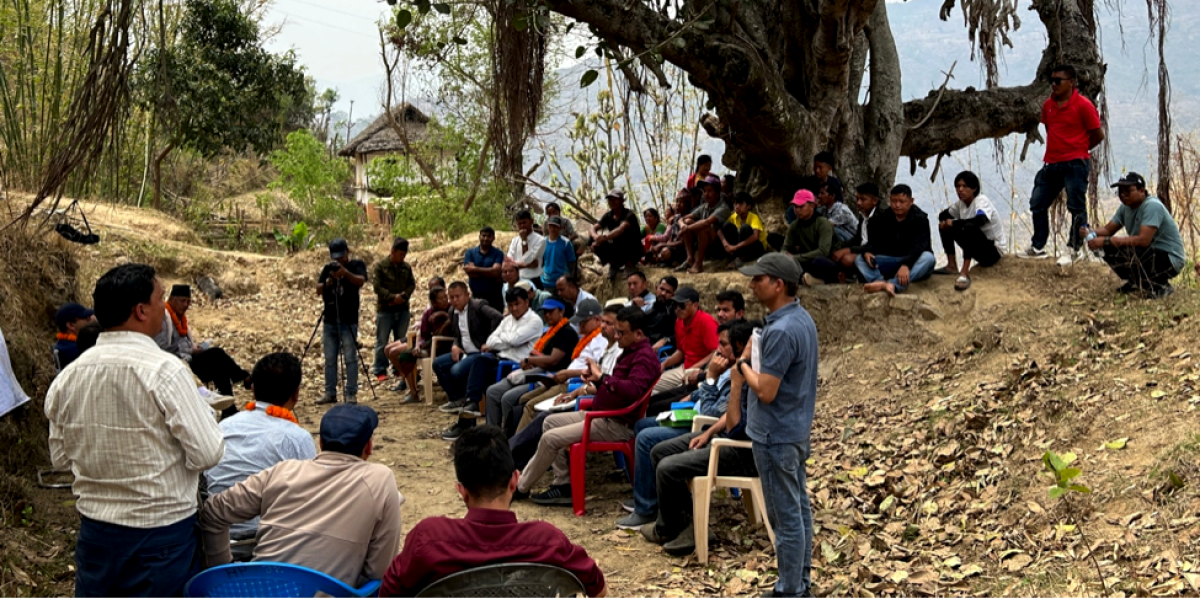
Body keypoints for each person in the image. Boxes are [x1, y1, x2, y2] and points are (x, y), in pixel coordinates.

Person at [45, 263, 224, 598]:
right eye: (160, 299)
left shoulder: (68, 377)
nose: (164, 309)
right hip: (161, 535)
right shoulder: (165, 371)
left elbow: (60, 459)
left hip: (96, 533)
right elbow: (208, 453)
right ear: (141, 311)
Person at [379, 426, 606, 597]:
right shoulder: (548, 541)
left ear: (462, 491)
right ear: (514, 481)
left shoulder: (428, 538)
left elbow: (388, 593)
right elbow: (598, 589)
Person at [200, 404, 403, 588]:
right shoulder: (380, 480)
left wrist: (223, 573)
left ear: (320, 443)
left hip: (259, 592)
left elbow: (213, 512)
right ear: (369, 446)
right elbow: (378, 571)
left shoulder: (283, 471)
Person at [515, 307, 661, 505]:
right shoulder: (630, 351)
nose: (616, 336)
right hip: (601, 415)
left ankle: (520, 487)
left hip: (616, 423)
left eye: (621, 333)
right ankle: (563, 485)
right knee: (548, 422)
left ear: (638, 333)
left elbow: (633, 391)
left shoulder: (643, 357)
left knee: (550, 438)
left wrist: (603, 378)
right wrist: (597, 381)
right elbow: (617, 388)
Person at [736, 253, 818, 598]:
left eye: (759, 279)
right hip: (793, 428)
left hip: (776, 434)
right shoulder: (800, 318)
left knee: (785, 517)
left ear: (778, 285)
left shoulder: (782, 330)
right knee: (797, 508)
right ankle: (799, 582)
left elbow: (766, 391)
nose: (752, 285)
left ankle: (790, 590)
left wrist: (742, 365)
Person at [617, 320, 747, 531]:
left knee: (647, 439)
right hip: (696, 417)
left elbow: (711, 413)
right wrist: (694, 394)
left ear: (738, 346)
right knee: (642, 424)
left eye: (724, 344)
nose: (718, 349)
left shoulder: (737, 375)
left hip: (702, 425)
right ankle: (649, 496)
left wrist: (710, 377)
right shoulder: (726, 368)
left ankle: (648, 509)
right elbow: (704, 394)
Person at [204, 352, 317, 560]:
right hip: (270, 545)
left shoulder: (223, 426)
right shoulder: (297, 438)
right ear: (296, 394)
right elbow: (311, 499)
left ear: (253, 389)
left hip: (214, 540)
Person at [1021, 64, 1104, 264]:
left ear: (1071, 82)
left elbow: (1098, 135)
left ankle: (1074, 248)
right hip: (1052, 163)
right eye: (1052, 80)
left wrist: (1080, 149)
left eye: (1058, 80)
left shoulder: (1083, 105)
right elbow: (1050, 129)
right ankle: (1038, 246)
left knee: (1076, 206)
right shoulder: (1048, 106)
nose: (1054, 84)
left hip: (1075, 164)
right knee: (1038, 202)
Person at [441, 287, 543, 440]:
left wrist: (503, 340)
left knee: (479, 378)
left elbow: (514, 340)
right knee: (477, 364)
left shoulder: (534, 321)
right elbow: (490, 341)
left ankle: (478, 426)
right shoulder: (507, 320)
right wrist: (506, 341)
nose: (514, 309)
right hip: (499, 359)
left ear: (527, 302)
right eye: (510, 305)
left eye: (517, 304)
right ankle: (471, 408)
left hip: (516, 365)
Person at [506, 299, 607, 437]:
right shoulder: (587, 338)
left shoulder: (601, 340)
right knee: (524, 399)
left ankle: (517, 446)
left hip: (573, 383)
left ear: (597, 320)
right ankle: (513, 438)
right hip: (561, 379)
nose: (580, 325)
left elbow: (597, 371)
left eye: (583, 322)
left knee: (530, 406)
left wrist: (567, 373)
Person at [480, 297, 577, 438]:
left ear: (561, 312)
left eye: (551, 311)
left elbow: (553, 360)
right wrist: (534, 359)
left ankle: (508, 438)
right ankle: (491, 435)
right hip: (533, 370)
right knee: (492, 391)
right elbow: (537, 353)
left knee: (508, 398)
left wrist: (531, 359)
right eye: (545, 312)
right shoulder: (549, 332)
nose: (547, 315)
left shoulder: (567, 332)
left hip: (548, 377)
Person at [156, 283, 251, 416]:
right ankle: (243, 377)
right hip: (178, 367)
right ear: (171, 299)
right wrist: (190, 350)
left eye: (188, 302)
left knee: (219, 367)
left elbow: (185, 344)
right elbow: (161, 349)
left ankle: (229, 411)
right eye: (182, 301)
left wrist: (196, 348)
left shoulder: (181, 319)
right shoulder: (163, 319)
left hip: (190, 359)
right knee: (216, 354)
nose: (185, 305)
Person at [1085, 172, 1185, 298]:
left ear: (1142, 191)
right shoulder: (1125, 208)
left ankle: (1160, 285)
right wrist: (1090, 232)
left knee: (1129, 250)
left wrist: (1107, 240)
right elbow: (1107, 230)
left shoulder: (1152, 206)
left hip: (1169, 259)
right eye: (1120, 192)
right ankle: (1136, 282)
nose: (1123, 195)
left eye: (1127, 191)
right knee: (1108, 248)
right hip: (1150, 253)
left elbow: (1143, 240)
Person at [433, 282, 504, 416]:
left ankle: (469, 400)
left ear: (467, 295)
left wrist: (490, 342)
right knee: (438, 364)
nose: (455, 300)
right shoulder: (452, 312)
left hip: (480, 352)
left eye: (458, 296)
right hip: (464, 351)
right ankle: (456, 399)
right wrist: (455, 345)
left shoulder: (478, 306)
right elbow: (457, 335)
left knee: (456, 370)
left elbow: (498, 317)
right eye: (451, 297)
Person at [314, 238, 368, 405]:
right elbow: (318, 289)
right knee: (330, 359)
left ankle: (351, 393)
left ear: (347, 252)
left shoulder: (356, 265)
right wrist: (329, 281)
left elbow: (361, 281)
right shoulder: (328, 268)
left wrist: (345, 273)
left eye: (341, 256)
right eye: (336, 258)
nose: (339, 260)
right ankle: (330, 392)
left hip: (348, 319)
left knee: (350, 357)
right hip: (330, 318)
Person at [856, 185, 935, 296]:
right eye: (894, 201)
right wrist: (867, 251)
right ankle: (879, 282)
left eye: (902, 202)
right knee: (860, 259)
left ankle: (893, 284)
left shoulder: (920, 219)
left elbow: (920, 247)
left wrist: (906, 265)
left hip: (912, 261)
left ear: (911, 201)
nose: (897, 205)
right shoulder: (883, 217)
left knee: (928, 258)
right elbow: (875, 241)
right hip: (891, 260)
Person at [935, 171, 1006, 291]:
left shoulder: (981, 201)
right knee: (944, 225)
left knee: (969, 228)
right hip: (976, 248)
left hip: (993, 251)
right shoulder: (961, 204)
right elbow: (943, 215)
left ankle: (964, 272)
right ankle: (951, 265)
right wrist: (947, 223)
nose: (960, 190)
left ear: (974, 188)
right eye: (958, 186)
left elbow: (980, 220)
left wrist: (955, 223)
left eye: (964, 186)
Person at [385, 286, 452, 403]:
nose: (445, 300)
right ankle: (413, 392)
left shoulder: (452, 309)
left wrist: (443, 315)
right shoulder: (429, 313)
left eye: (445, 297)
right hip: (431, 345)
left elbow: (454, 323)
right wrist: (418, 346)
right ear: (434, 302)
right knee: (405, 356)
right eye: (441, 298)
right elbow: (423, 334)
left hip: (448, 345)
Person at [654, 286, 718, 394]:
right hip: (684, 368)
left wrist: (693, 369)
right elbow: (681, 352)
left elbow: (714, 353)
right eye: (675, 305)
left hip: (699, 371)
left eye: (682, 305)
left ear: (695, 305)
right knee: (651, 386)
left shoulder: (706, 322)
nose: (677, 309)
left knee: (669, 394)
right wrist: (665, 364)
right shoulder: (679, 322)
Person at [372, 237, 416, 383]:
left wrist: (404, 296)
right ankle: (380, 369)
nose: (402, 257)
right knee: (382, 341)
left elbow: (411, 284)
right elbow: (377, 287)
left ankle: (397, 367)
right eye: (400, 254)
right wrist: (391, 298)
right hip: (385, 310)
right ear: (393, 251)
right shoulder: (381, 266)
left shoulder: (406, 268)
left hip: (402, 309)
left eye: (404, 255)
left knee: (400, 339)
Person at [784, 189, 845, 286]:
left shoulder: (822, 223)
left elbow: (823, 251)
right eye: (795, 206)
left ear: (812, 206)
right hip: (805, 260)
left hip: (825, 261)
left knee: (818, 262)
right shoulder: (794, 226)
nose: (797, 210)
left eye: (801, 206)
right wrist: (784, 256)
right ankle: (809, 279)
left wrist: (795, 258)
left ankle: (812, 278)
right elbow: (786, 247)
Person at [677, 176, 731, 274]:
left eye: (710, 191)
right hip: (705, 241)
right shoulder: (704, 206)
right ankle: (690, 259)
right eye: (705, 191)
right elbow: (682, 218)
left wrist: (686, 228)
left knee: (704, 228)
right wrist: (682, 225)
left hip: (720, 245)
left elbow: (707, 222)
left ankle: (698, 264)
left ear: (717, 193)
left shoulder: (723, 208)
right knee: (688, 221)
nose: (706, 194)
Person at [590, 189, 644, 279]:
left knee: (629, 243)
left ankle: (630, 265)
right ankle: (614, 264)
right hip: (618, 248)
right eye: (610, 200)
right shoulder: (608, 215)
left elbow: (621, 229)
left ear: (622, 201)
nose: (612, 202)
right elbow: (594, 227)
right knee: (594, 243)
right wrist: (596, 237)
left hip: (633, 249)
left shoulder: (629, 214)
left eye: (615, 199)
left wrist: (604, 238)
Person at [832, 182, 883, 277]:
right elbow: (858, 238)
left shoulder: (881, 217)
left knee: (846, 259)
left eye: (863, 199)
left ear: (874, 201)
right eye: (857, 199)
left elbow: (875, 245)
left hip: (875, 252)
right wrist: (839, 246)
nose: (858, 203)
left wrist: (849, 250)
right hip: (863, 249)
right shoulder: (863, 215)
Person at [786, 151, 843, 224]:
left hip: (827, 214)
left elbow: (840, 202)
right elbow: (796, 202)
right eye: (815, 167)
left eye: (820, 167)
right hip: (810, 214)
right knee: (791, 210)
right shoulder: (807, 183)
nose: (817, 170)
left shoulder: (834, 182)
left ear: (829, 168)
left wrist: (824, 203)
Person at [718, 192, 769, 267]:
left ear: (748, 206)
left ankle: (741, 258)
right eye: (735, 203)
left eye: (741, 204)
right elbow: (719, 230)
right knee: (727, 226)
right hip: (742, 247)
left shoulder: (753, 217)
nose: (737, 207)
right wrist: (726, 244)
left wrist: (735, 247)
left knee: (744, 228)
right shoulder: (734, 217)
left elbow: (755, 236)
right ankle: (734, 256)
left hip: (757, 248)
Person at [464, 227, 506, 311]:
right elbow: (470, 273)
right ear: (479, 237)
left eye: (489, 236)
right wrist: (490, 272)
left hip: (495, 298)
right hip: (476, 297)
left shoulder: (498, 253)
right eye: (483, 235)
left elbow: (496, 272)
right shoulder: (470, 253)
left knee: (495, 318)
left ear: (493, 238)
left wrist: (475, 269)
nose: (486, 238)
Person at [506, 210, 546, 289]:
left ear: (531, 221)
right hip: (517, 280)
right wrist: (528, 265)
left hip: (534, 281)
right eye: (519, 224)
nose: (522, 226)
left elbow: (527, 260)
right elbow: (508, 263)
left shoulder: (541, 240)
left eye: (524, 223)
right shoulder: (515, 241)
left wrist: (524, 241)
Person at [53, 302, 96, 369]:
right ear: (71, 325)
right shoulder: (75, 351)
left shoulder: (64, 345)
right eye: (87, 318)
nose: (90, 321)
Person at [540, 216, 577, 289]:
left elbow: (572, 262)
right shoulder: (543, 242)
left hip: (562, 281)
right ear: (548, 226)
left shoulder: (566, 243)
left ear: (560, 228)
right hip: (546, 281)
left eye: (555, 226)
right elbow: (541, 261)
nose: (553, 229)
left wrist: (569, 278)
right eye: (551, 226)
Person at [816, 179, 858, 243]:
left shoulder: (841, 210)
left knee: (829, 229)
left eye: (822, 193)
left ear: (832, 196)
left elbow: (824, 225)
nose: (819, 196)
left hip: (855, 239)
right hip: (845, 236)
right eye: (819, 193)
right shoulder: (824, 209)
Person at [646, 276, 679, 351]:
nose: (663, 293)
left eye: (668, 292)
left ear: (673, 295)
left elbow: (681, 334)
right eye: (662, 289)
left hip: (662, 349)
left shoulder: (675, 312)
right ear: (656, 288)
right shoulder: (649, 310)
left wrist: (665, 340)